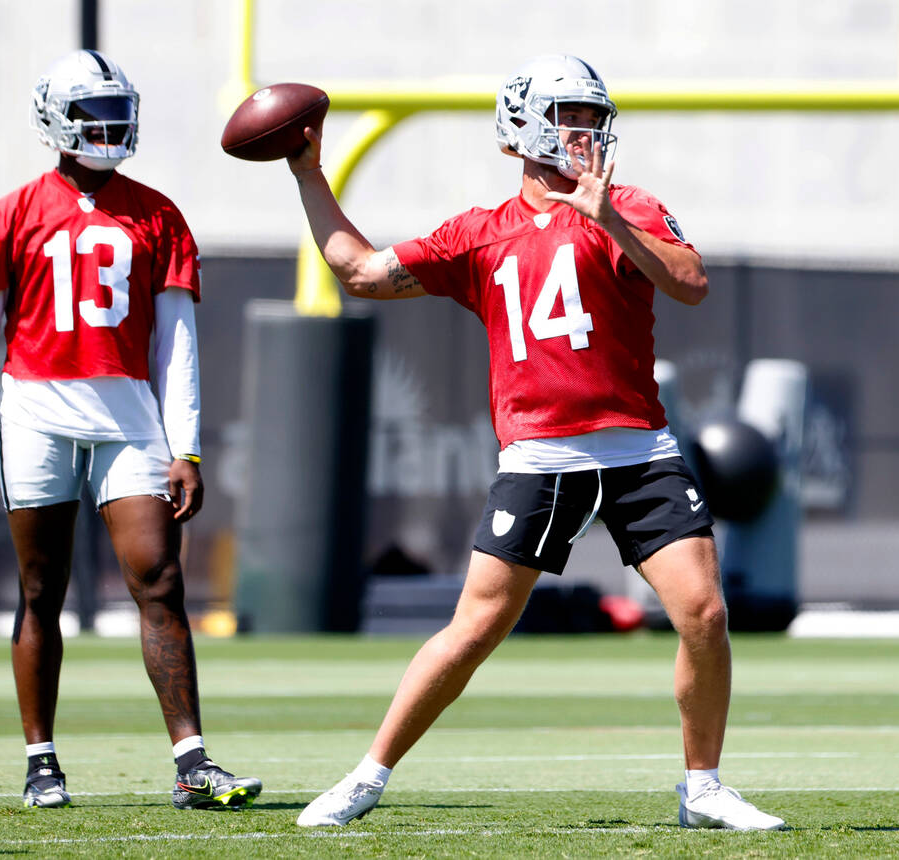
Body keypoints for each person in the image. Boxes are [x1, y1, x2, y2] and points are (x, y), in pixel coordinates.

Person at [286, 54, 785, 831]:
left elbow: (690, 284)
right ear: (520, 130)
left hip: (637, 449)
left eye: (592, 118)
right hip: (540, 457)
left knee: (705, 613)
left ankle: (704, 787)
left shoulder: (630, 206)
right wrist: (307, 174)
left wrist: (608, 218)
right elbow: (359, 272)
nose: (585, 134)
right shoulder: (478, 235)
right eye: (568, 118)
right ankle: (366, 776)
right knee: (475, 628)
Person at [0, 49, 261, 811]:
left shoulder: (158, 213)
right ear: (54, 120)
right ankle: (41, 761)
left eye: (118, 112)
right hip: (37, 411)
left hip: (128, 416)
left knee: (162, 581)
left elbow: (176, 341)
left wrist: (188, 445)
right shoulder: (11, 213)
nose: (109, 127)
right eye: (93, 115)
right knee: (41, 589)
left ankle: (192, 762)